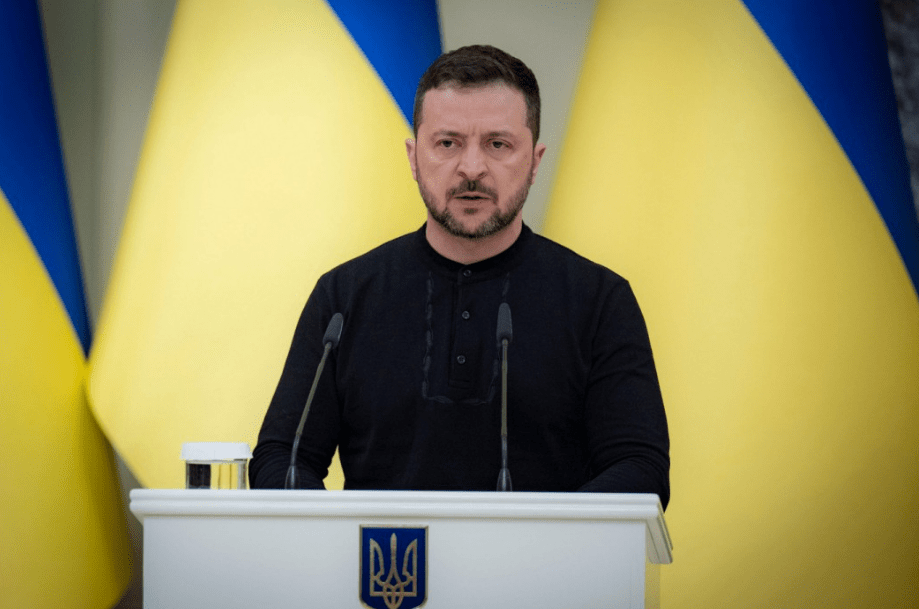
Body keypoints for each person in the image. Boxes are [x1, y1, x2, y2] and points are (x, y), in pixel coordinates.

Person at [250, 45, 670, 508]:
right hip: (386, 575)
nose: (472, 168)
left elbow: (640, 470)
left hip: (546, 578)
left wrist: (541, 542)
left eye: (498, 144)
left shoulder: (599, 301)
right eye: (447, 143)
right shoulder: (343, 298)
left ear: (534, 160)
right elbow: (279, 460)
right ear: (413, 157)